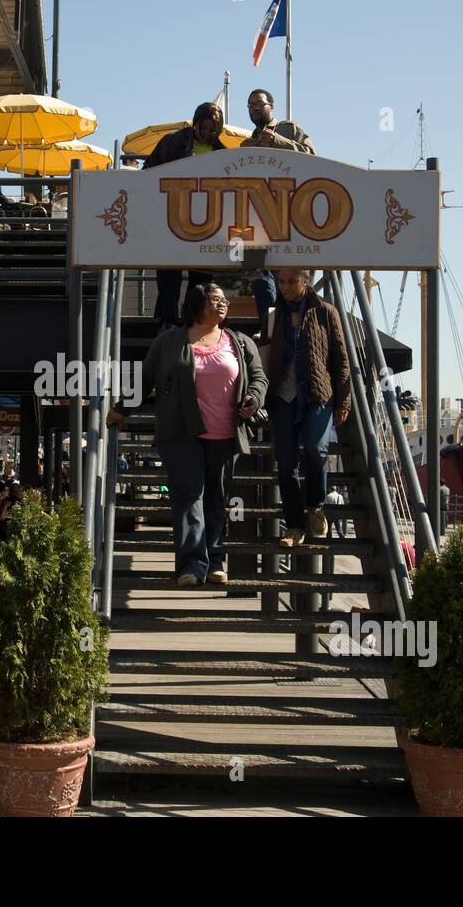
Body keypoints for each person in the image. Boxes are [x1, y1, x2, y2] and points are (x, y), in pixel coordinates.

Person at [107, 282, 267, 586]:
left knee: (216, 501)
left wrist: (253, 399)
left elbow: (258, 377)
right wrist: (121, 410)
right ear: (198, 304)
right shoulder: (168, 342)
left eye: (225, 301)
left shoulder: (240, 342)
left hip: (225, 435)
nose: (224, 305)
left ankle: (215, 559)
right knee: (189, 496)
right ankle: (191, 566)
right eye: (216, 300)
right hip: (179, 433)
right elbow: (145, 379)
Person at [264, 268, 351, 544]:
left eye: (291, 281)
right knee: (286, 462)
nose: (285, 287)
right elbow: (265, 356)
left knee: (316, 449)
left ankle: (315, 505)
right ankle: (294, 526)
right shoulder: (273, 314)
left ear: (306, 279)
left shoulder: (326, 311)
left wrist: (344, 400)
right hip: (282, 396)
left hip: (317, 394)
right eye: (281, 281)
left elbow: (341, 358)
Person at [145, 102, 227, 329]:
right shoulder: (171, 142)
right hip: (171, 218)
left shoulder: (223, 153)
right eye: (206, 128)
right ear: (195, 123)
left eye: (215, 130)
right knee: (169, 274)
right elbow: (147, 173)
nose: (210, 134)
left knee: (201, 279)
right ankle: (167, 323)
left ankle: (191, 324)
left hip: (206, 223)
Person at [243, 90, 317, 330]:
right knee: (258, 279)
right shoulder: (249, 140)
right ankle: (270, 330)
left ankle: (291, 329)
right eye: (250, 105)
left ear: (271, 106)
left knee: (288, 280)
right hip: (255, 220)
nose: (254, 108)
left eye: (258, 103)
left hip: (288, 219)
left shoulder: (289, 129)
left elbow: (312, 157)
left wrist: (276, 142)